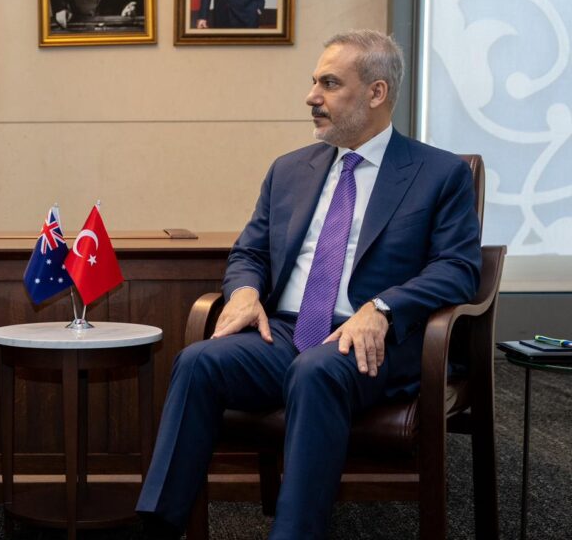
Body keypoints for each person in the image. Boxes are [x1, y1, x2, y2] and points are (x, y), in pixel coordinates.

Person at [136, 30, 482, 539]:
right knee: (198, 362)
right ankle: (158, 527)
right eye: (314, 81)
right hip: (285, 333)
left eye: (329, 83)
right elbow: (251, 252)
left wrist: (382, 308)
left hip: (375, 344)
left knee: (316, 371)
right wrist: (244, 291)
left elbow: (458, 268)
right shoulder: (290, 170)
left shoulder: (439, 173)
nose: (311, 96)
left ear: (376, 92)